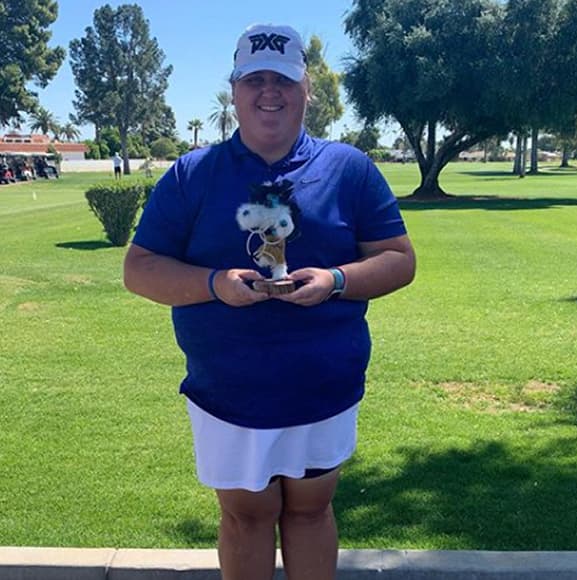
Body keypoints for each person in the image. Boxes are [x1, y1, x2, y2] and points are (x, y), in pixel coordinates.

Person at [124, 23, 416, 580]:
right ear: (234, 91)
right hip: (228, 391)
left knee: (310, 511)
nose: (269, 92)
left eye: (281, 79)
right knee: (246, 516)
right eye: (254, 79)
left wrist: (333, 280)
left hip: (323, 386)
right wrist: (216, 285)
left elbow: (399, 259)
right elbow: (139, 269)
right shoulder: (193, 174)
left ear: (307, 88)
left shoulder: (348, 168)